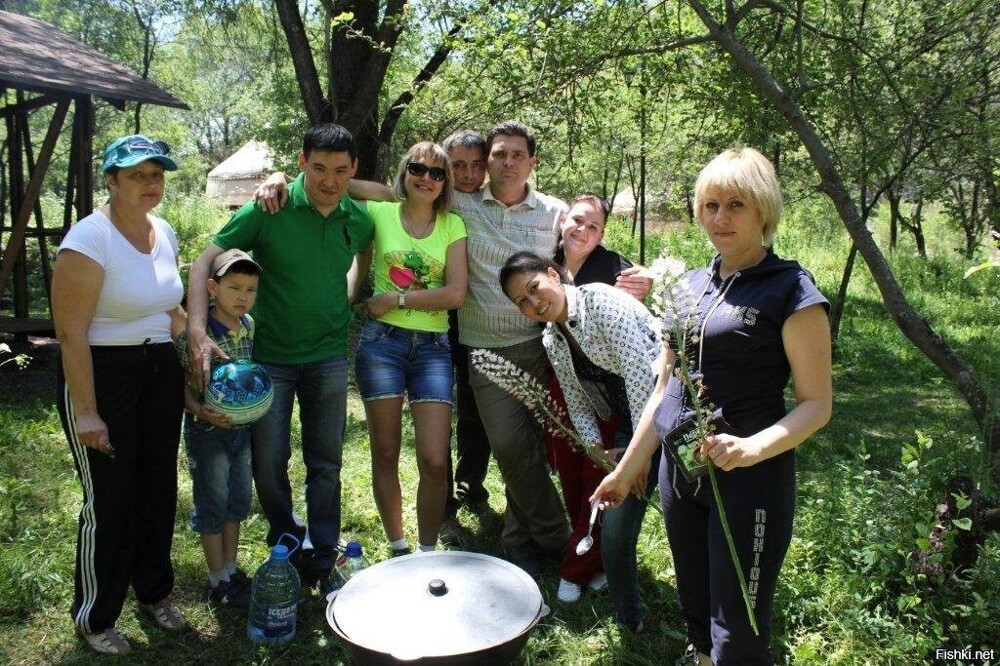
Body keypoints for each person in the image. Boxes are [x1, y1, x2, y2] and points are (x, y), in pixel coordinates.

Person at [592, 147, 833, 664]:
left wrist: (751, 449)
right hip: (681, 475)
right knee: (698, 615)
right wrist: (627, 471)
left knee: (738, 630)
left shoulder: (791, 290)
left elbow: (817, 404)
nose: (720, 218)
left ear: (764, 210)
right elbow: (665, 390)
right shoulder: (688, 286)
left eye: (736, 205)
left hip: (750, 480)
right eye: (711, 205)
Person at [186, 123, 375, 597]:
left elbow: (366, 250)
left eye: (340, 170)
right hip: (269, 358)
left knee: (326, 460)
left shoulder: (359, 218)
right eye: (318, 168)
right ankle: (286, 536)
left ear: (353, 169)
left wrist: (350, 294)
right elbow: (203, 262)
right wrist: (197, 331)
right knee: (269, 462)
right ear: (301, 162)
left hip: (329, 354)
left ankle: (323, 551)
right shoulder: (270, 206)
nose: (329, 180)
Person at [52, 135, 187, 656]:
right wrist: (87, 412)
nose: (150, 184)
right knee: (110, 498)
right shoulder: (89, 240)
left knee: (157, 486)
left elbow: (168, 306)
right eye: (136, 175)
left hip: (160, 372)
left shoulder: (164, 230)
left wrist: (197, 343)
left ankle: (154, 592)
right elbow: (70, 335)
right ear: (110, 181)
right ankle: (96, 615)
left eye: (156, 174)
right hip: (104, 376)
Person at [499, 250, 661, 633]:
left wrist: (636, 459)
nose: (534, 302)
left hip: (670, 412)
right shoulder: (553, 339)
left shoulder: (602, 302)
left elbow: (642, 378)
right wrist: (598, 451)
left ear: (554, 275)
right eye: (522, 301)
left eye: (534, 287)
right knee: (615, 527)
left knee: (685, 514)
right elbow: (578, 403)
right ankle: (630, 622)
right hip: (629, 427)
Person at [455, 120, 570, 577]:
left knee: (536, 449)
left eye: (517, 155)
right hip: (485, 352)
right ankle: (559, 537)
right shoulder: (461, 202)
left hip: (543, 346)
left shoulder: (555, 212)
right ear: (488, 161)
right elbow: (394, 192)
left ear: (532, 162)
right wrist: (289, 178)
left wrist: (633, 276)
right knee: (508, 445)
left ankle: (518, 540)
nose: (508, 162)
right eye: (499, 154)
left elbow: (584, 253)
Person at [543, 194, 660, 633]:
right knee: (574, 476)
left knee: (608, 482)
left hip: (635, 402)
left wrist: (638, 451)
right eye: (577, 221)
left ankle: (586, 562)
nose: (583, 231)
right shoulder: (545, 270)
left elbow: (641, 370)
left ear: (603, 235)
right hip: (573, 389)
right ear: (562, 221)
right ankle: (595, 560)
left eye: (594, 227)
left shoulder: (611, 272)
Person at [356, 141, 467, 555]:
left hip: (433, 349)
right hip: (381, 344)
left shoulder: (453, 225)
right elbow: (337, 183)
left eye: (437, 173)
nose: (427, 178)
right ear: (404, 172)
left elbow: (454, 294)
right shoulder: (380, 212)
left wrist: (397, 299)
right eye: (418, 169)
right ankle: (399, 547)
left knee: (435, 459)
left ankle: (426, 550)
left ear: (445, 183)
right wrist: (388, 191)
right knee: (385, 452)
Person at [174, 249, 262, 607]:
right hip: (207, 433)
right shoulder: (198, 335)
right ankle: (216, 580)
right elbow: (178, 386)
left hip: (241, 432)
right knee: (213, 502)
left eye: (250, 290)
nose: (243, 297)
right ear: (212, 288)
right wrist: (200, 411)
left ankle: (230, 569)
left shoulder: (249, 325)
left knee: (237, 501)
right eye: (234, 288)